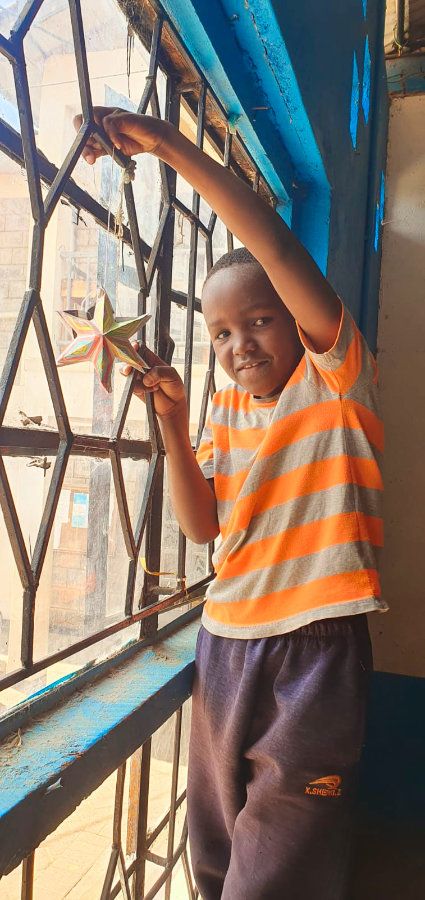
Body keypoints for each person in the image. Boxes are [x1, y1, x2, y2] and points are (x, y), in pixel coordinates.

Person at [76, 107, 387, 899]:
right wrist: (173, 423)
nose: (239, 343)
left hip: (313, 647)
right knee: (215, 841)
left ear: (299, 319)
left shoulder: (336, 378)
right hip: (224, 639)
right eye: (219, 332)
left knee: (282, 852)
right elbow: (201, 525)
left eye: (259, 320)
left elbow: (275, 247)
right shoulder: (224, 406)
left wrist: (167, 145)